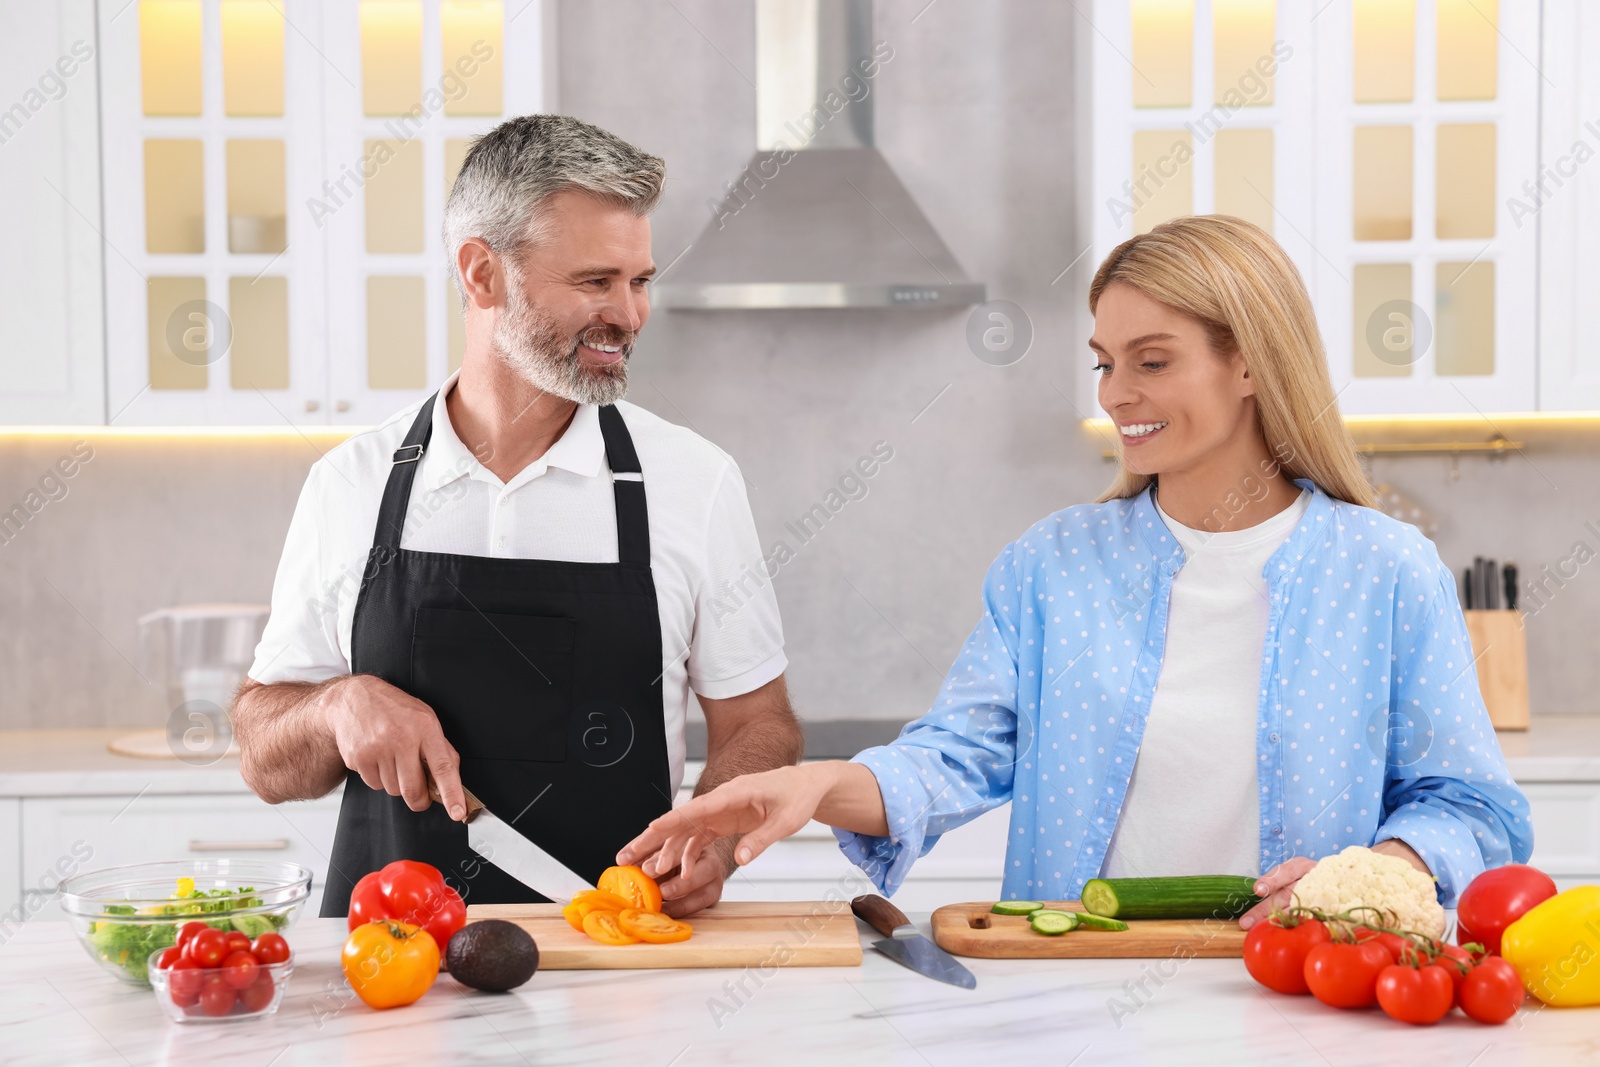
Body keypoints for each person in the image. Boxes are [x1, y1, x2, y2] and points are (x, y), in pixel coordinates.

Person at [618, 215, 1534, 929]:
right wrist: (815, 784)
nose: (1115, 392)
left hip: (1304, 985)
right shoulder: (1054, 566)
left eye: (1153, 360)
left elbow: (1473, 806)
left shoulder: (1385, 571)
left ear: (1250, 361)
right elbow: (958, 757)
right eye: (1104, 362)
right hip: (1075, 987)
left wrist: (1379, 873)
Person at [235, 115, 801, 919]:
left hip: (620, 976)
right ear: (482, 274)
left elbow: (761, 723)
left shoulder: (694, 481)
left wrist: (713, 834)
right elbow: (265, 759)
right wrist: (335, 705)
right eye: (595, 282)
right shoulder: (349, 484)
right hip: (397, 985)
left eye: (640, 281)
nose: (631, 315)